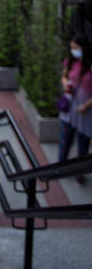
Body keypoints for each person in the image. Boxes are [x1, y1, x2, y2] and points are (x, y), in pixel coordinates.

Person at [59, 33, 92, 180]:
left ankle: (79, 172)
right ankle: (61, 166)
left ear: (84, 48)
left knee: (83, 142)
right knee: (65, 138)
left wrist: (86, 105)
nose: (73, 50)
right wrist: (65, 83)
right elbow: (64, 76)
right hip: (70, 106)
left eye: (76, 48)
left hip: (85, 109)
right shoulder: (71, 61)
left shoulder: (90, 65)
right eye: (72, 48)